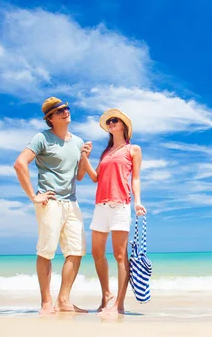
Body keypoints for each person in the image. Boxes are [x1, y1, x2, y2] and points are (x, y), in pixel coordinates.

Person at [14, 97, 90, 315]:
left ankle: (64, 301)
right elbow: (19, 164)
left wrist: (84, 155)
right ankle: (46, 303)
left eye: (66, 108)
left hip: (72, 202)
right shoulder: (42, 138)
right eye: (59, 111)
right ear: (50, 118)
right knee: (46, 252)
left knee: (76, 251)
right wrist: (33, 196)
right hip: (50, 202)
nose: (65, 112)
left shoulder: (77, 141)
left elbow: (80, 176)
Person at [80, 108, 147, 316]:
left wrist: (138, 202)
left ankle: (119, 305)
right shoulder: (106, 152)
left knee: (120, 255)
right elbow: (94, 177)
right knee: (97, 253)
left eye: (114, 120)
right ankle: (106, 296)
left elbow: (135, 178)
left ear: (124, 125)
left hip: (120, 205)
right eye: (108, 121)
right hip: (100, 206)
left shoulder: (133, 149)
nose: (110, 123)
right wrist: (84, 157)